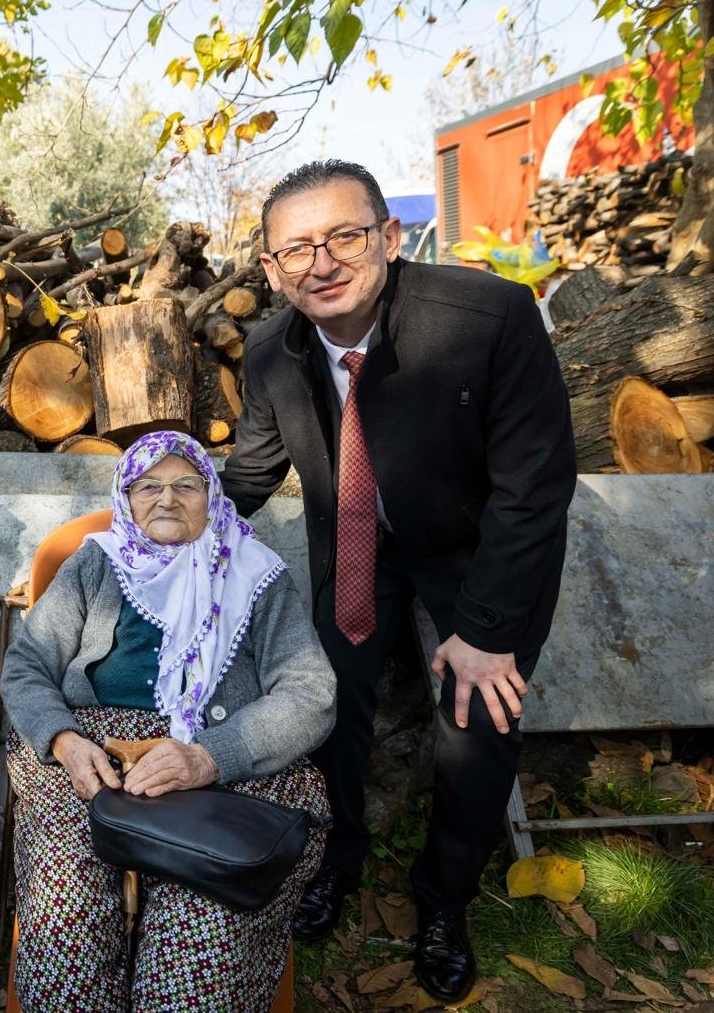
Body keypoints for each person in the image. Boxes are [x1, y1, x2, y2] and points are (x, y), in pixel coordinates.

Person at [221, 160, 577, 1002]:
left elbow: (535, 488)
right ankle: (337, 859)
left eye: (344, 235)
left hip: (478, 549)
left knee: (475, 726)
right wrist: (150, 539)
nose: (322, 262)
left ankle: (445, 901)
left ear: (387, 237)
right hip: (355, 543)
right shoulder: (272, 347)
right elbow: (251, 472)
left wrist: (487, 632)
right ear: (271, 270)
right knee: (327, 702)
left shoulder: (488, 318)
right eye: (295, 249)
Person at [0, 432, 336, 1013]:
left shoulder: (257, 574)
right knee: (68, 900)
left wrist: (209, 756)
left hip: (221, 757)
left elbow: (311, 693)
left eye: (187, 484)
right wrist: (65, 741)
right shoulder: (95, 562)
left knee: (205, 911)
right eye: (148, 486)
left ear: (212, 495)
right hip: (95, 749)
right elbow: (27, 666)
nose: (167, 499)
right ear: (125, 497)